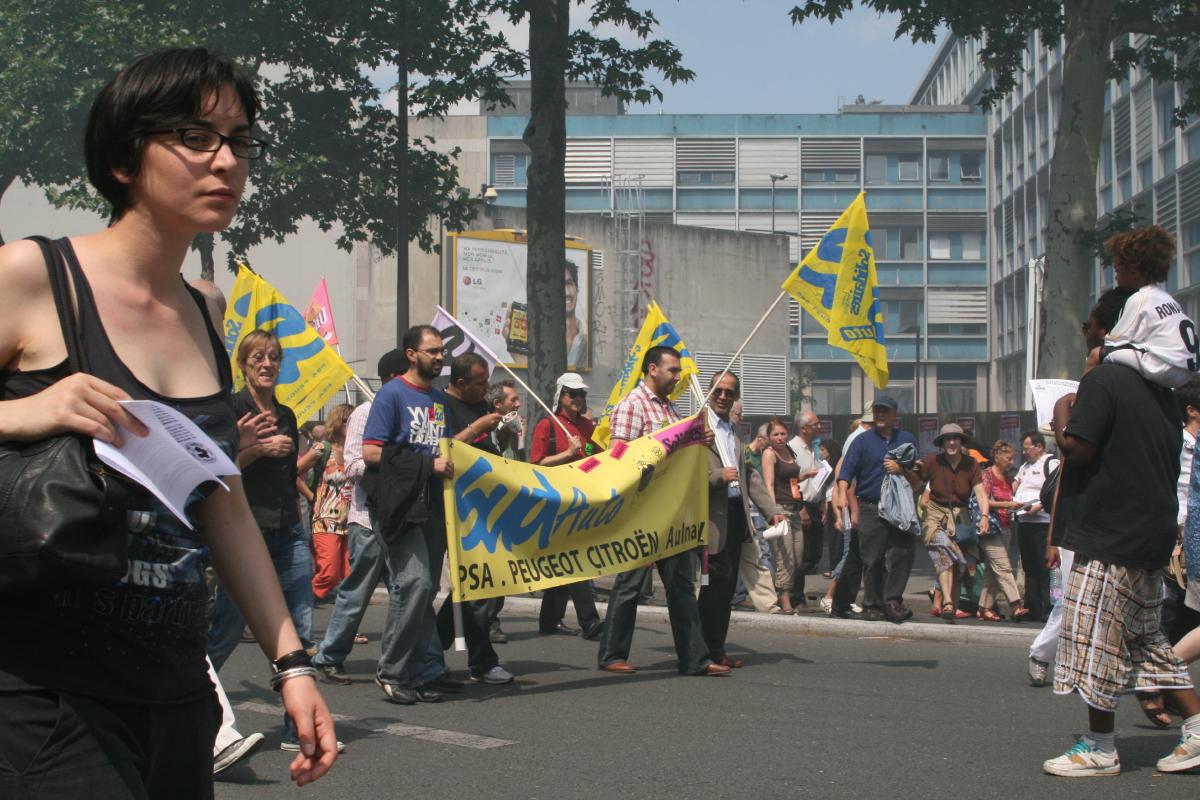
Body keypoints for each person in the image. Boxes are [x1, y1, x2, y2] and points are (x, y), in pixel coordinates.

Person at [0, 48, 336, 794]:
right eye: (193, 136)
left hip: (177, 695)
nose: (224, 161)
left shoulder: (207, 308)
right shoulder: (32, 275)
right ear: (124, 157)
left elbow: (223, 503)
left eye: (238, 140)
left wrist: (292, 666)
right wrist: (29, 410)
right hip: (43, 695)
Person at [1042, 350, 1200, 776]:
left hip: (1111, 535)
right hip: (1147, 532)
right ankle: (1198, 729)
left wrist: (1062, 407)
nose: (1086, 344)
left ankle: (1100, 746)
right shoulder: (1158, 390)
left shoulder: (1105, 381)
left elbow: (1075, 448)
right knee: (1144, 639)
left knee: (1095, 638)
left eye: (1090, 333)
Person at [596, 346, 729, 676]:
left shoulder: (670, 409)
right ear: (652, 369)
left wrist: (698, 440)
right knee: (629, 583)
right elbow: (619, 457)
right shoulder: (632, 406)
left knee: (681, 585)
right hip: (642, 511)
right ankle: (612, 653)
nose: (678, 376)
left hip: (672, 513)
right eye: (672, 370)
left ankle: (695, 658)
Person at [1026, 289, 1128, 688]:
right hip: (1076, 526)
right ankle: (1042, 652)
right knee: (1073, 599)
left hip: (1114, 521)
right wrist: (1053, 539)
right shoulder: (1074, 415)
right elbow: (1065, 478)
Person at [361, 325, 454, 704]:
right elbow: (370, 453)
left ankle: (421, 670)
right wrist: (426, 466)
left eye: (442, 350)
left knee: (425, 590)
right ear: (412, 354)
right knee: (413, 582)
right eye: (432, 350)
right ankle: (392, 671)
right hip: (399, 508)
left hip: (432, 508)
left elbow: (446, 450)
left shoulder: (440, 401)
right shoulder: (391, 395)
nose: (440, 356)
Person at [311, 351, 408, 687]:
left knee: (403, 590)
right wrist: (398, 465)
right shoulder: (366, 414)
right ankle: (329, 656)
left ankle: (395, 664)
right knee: (356, 591)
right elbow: (353, 465)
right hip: (367, 519)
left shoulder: (412, 414)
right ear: (393, 377)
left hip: (402, 520)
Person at [435, 352, 513, 685]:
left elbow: (494, 450)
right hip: (458, 508)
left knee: (483, 584)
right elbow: (442, 449)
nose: (487, 390)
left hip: (486, 505)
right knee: (478, 582)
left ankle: (430, 649)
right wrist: (478, 427)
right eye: (480, 383)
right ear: (461, 382)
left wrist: (502, 431)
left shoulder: (483, 406)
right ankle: (481, 661)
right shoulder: (442, 407)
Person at [700, 371, 786, 667]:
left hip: (737, 516)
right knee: (708, 588)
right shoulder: (696, 428)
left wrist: (770, 509)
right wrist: (716, 477)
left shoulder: (734, 432)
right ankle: (700, 651)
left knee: (725, 590)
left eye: (730, 392)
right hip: (708, 521)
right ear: (708, 393)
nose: (724, 396)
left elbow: (749, 474)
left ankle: (717, 649)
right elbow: (681, 474)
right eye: (719, 391)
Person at [529, 372, 604, 639]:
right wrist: (567, 454)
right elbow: (535, 465)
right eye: (573, 393)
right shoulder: (546, 426)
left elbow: (597, 456)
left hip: (581, 500)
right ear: (561, 396)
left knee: (563, 561)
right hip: (555, 502)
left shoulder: (587, 427)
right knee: (573, 560)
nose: (578, 398)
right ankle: (590, 621)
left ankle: (550, 619)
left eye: (582, 393)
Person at [834, 395, 920, 623]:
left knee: (902, 553)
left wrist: (901, 469)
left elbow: (917, 478)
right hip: (870, 506)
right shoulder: (862, 441)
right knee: (872, 558)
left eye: (885, 410)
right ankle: (872, 604)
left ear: (895, 414)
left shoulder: (907, 439)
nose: (880, 414)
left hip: (900, 507)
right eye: (877, 410)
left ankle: (892, 601)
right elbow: (846, 472)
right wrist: (842, 495)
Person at [1098, 225, 1196, 388]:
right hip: (1186, 372)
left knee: (1100, 354)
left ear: (1134, 271)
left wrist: (1100, 353)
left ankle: (1080, 394)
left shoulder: (1140, 298)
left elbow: (1114, 342)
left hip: (1162, 368)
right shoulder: (1168, 299)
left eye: (1118, 271)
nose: (1116, 277)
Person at [917, 423, 990, 624]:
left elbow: (981, 494)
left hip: (960, 517)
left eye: (955, 438)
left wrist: (984, 517)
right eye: (947, 439)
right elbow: (916, 481)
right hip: (935, 515)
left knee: (958, 566)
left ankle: (951, 609)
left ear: (961, 442)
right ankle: (947, 601)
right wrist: (906, 466)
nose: (951, 442)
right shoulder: (933, 461)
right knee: (944, 551)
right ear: (941, 443)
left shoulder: (971, 464)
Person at [483, 378, 523, 642]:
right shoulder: (487, 428)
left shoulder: (512, 432)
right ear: (497, 404)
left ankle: (491, 617)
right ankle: (484, 622)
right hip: (486, 512)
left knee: (504, 570)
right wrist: (504, 431)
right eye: (512, 400)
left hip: (508, 509)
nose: (518, 404)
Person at [761, 418, 813, 613]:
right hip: (780, 510)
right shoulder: (769, 454)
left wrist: (805, 475)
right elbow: (769, 484)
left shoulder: (789, 451)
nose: (780, 438)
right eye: (775, 434)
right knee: (785, 557)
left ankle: (784, 594)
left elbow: (790, 478)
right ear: (769, 437)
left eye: (783, 433)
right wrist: (773, 513)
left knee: (798, 559)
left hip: (795, 508)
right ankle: (785, 602)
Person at [976, 440, 1027, 622]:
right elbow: (984, 501)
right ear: (997, 456)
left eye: (1013, 459)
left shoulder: (1008, 478)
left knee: (993, 569)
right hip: (989, 528)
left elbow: (1012, 498)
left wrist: (1020, 505)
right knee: (1004, 567)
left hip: (1005, 527)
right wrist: (1007, 504)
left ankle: (984, 608)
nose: (1012, 462)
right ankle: (1015, 605)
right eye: (1009, 458)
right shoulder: (986, 475)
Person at [310, 403, 355, 602]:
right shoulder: (322, 449)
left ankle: (348, 632)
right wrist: (312, 497)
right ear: (339, 422)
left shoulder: (355, 451)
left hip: (351, 523)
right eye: (349, 420)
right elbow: (293, 473)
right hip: (325, 521)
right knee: (328, 574)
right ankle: (297, 606)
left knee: (351, 579)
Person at [1013, 430, 1057, 622]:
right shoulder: (1024, 466)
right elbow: (1017, 485)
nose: (1025, 453)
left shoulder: (1050, 463)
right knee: (1029, 566)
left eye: (1027, 448)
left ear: (1039, 446)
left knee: (1044, 566)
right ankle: (1032, 606)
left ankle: (1049, 607)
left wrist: (1039, 506)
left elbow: (1055, 492)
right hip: (1024, 522)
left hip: (1042, 522)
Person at [788, 410, 827, 601]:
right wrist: (800, 507)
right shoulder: (792, 448)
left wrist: (823, 503)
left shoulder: (814, 448)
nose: (819, 427)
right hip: (800, 504)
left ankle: (796, 592)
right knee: (800, 554)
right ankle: (794, 595)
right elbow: (791, 480)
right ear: (804, 428)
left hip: (815, 503)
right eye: (815, 424)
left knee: (814, 552)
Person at [565, 263, 587, 366]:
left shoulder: (586, 342)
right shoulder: (540, 343)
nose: (566, 292)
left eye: (569, 283)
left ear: (577, 289)